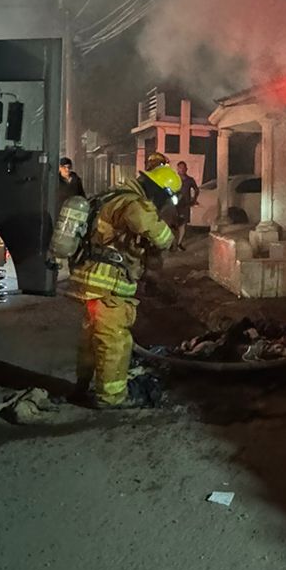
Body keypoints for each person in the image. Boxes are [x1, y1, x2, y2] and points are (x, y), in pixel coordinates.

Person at [67, 162, 181, 408]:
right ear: (158, 190)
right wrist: (169, 239)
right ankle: (111, 397)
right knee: (114, 340)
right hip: (108, 283)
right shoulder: (133, 203)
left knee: (92, 338)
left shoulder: (113, 195)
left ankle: (82, 385)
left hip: (92, 280)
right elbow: (154, 231)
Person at [174, 160, 200, 250]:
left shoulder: (190, 180)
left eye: (183, 167)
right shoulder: (174, 179)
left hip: (185, 205)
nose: (181, 169)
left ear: (186, 169)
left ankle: (179, 243)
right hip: (174, 205)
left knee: (183, 225)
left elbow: (197, 190)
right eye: (179, 168)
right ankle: (172, 243)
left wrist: (193, 200)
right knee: (173, 224)